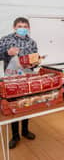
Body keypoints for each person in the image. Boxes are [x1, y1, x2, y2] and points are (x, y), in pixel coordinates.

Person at [0, 17, 38, 149]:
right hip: (11, 78)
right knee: (14, 105)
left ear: (28, 28)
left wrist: (35, 62)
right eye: (20, 26)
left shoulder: (32, 42)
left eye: (25, 26)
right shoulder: (6, 39)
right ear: (14, 27)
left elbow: (34, 59)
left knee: (26, 103)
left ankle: (25, 130)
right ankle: (15, 135)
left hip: (27, 77)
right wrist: (6, 52)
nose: (22, 28)